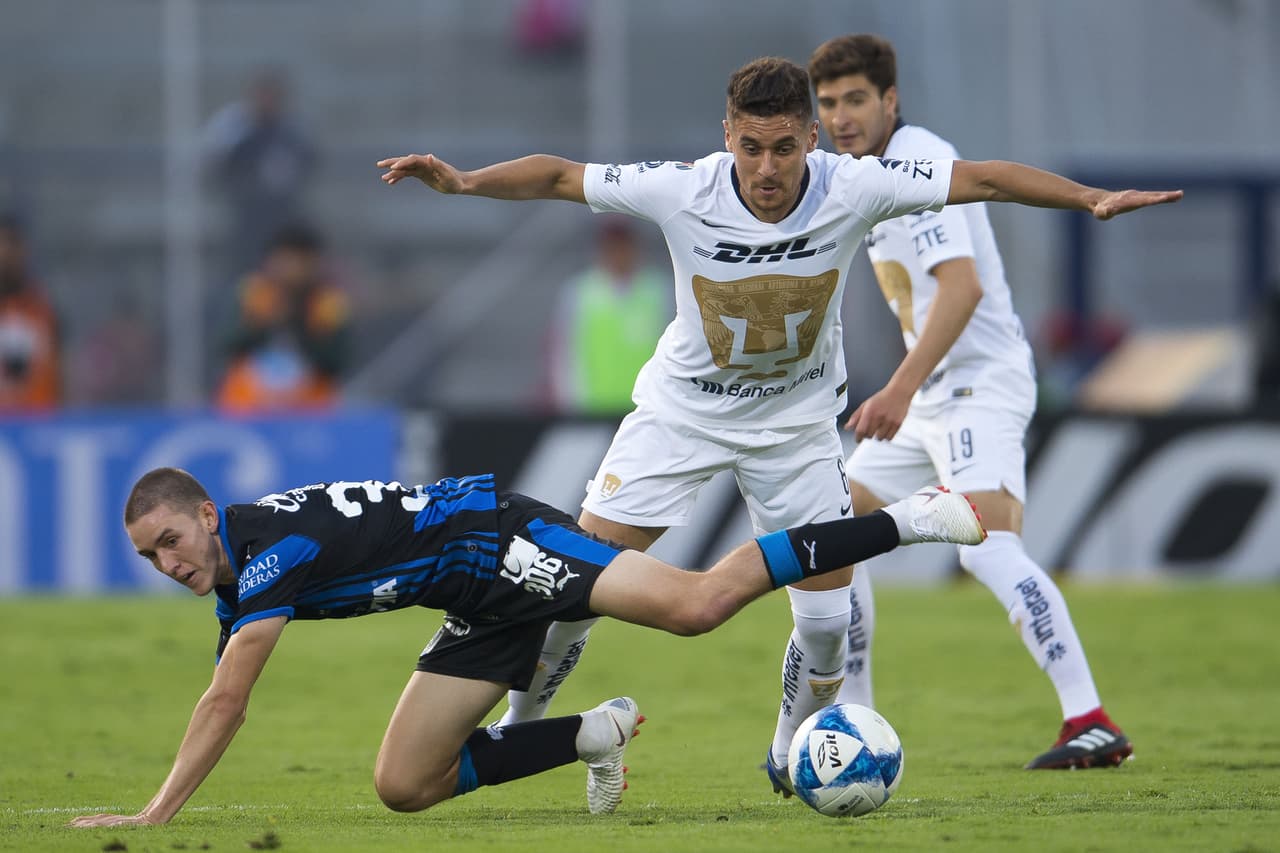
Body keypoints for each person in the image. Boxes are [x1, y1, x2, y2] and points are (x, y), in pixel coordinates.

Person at [375, 56, 1179, 789]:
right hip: (680, 416)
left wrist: (1089, 199)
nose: (766, 169)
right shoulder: (683, 187)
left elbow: (988, 181)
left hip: (795, 430)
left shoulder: (856, 184)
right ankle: (520, 735)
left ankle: (790, 748)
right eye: (751, 148)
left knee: (829, 625)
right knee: (574, 589)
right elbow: (557, 176)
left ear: (810, 140)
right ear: (727, 135)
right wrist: (466, 182)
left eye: (785, 148)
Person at [67, 467, 986, 827]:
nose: (165, 562)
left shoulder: (271, 552)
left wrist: (153, 817)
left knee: (699, 604)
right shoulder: (239, 575)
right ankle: (595, 735)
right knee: (403, 786)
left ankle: (907, 519)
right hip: (472, 597)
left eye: (170, 541)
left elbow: (227, 701)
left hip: (506, 543)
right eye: (148, 557)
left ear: (202, 512)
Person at [806, 33, 1135, 773]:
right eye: (827, 103)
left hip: (975, 385)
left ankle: (1090, 717)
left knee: (986, 547)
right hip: (932, 394)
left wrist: (896, 387)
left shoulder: (915, 159)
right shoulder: (860, 171)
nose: (840, 116)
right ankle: (853, 717)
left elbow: (961, 287)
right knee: (833, 528)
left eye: (855, 99)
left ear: (890, 100)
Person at [215, 223, 350, 413]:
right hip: (246, 411)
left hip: (309, 414)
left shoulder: (327, 305)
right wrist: (266, 321)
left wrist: (299, 322)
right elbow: (229, 345)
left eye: (299, 262)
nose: (290, 270)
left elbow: (335, 361)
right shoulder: (251, 295)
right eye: (284, 261)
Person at [547, 216, 670, 414]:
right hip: (591, 409)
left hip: (645, 410)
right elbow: (564, 352)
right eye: (611, 247)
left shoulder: (659, 290)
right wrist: (570, 402)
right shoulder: (579, 292)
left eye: (623, 246)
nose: (618, 254)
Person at [204, 69, 317, 277]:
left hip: (283, 213)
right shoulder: (234, 129)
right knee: (246, 266)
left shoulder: (292, 131)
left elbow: (309, 162)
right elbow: (218, 165)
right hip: (245, 214)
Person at [0, 213, 59, 411]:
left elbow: (58, 370)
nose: (5, 254)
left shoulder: (41, 310)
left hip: (34, 425)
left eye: (11, 245)